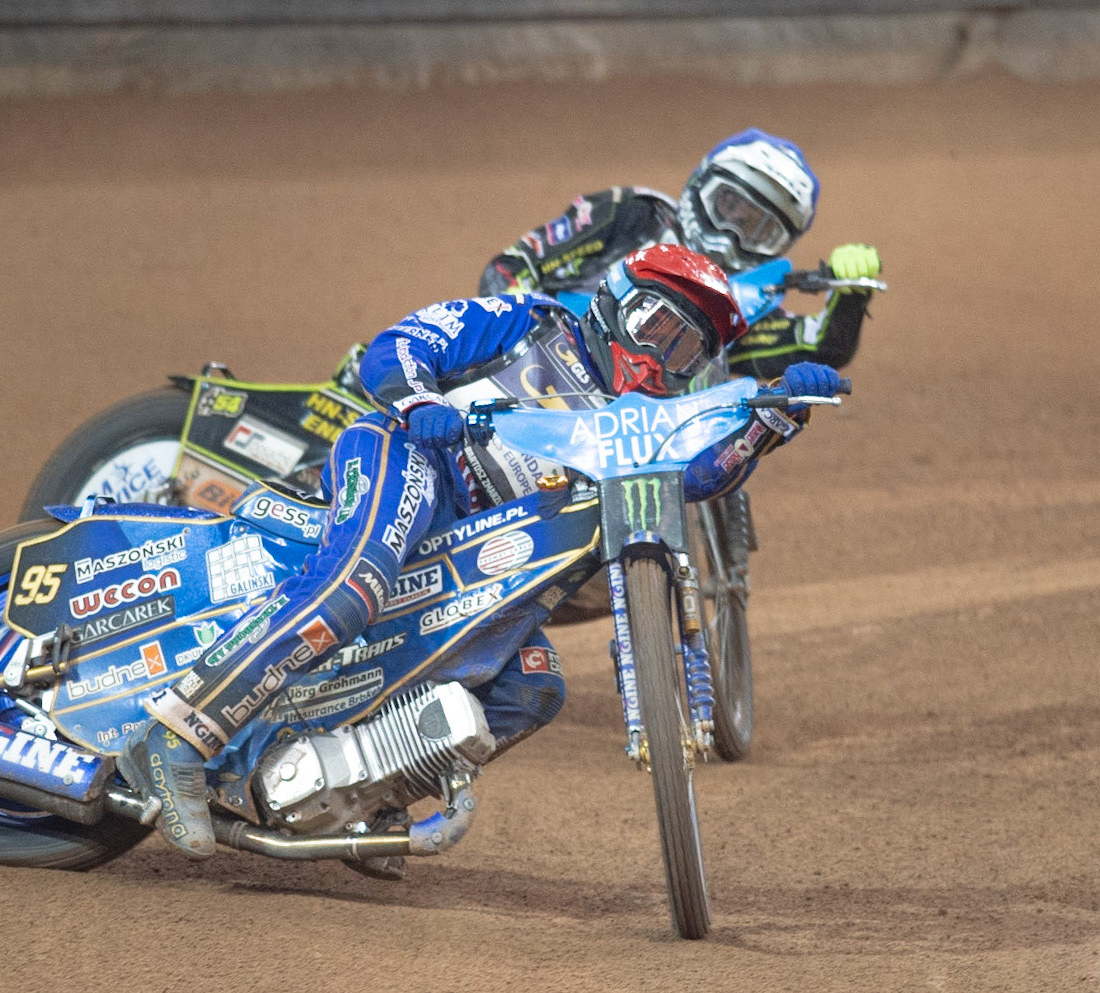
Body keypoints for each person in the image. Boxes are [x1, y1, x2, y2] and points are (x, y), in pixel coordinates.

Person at [117, 244, 845, 866]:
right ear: (616, 304)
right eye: (656, 327)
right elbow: (397, 346)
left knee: (531, 687)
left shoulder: (645, 422)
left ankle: (358, 802)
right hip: (412, 462)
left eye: (686, 349)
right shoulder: (527, 323)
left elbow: (693, 478)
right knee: (353, 588)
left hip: (489, 560)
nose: (661, 357)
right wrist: (417, 404)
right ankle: (174, 737)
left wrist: (770, 422)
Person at [477, 128, 881, 380]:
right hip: (541, 378)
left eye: (759, 229)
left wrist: (852, 293)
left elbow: (823, 348)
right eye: (730, 207)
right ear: (701, 185)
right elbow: (511, 269)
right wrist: (529, 335)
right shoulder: (630, 213)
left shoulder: (740, 307)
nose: (731, 234)